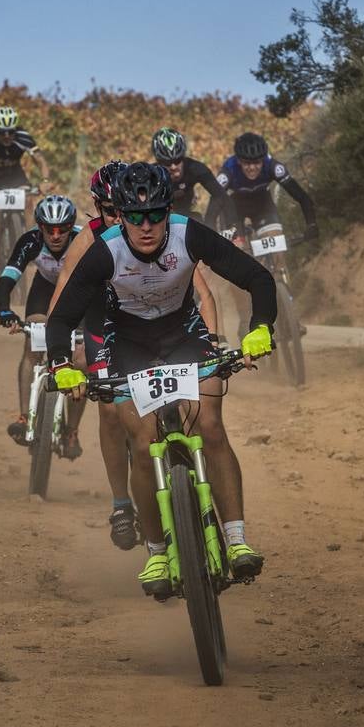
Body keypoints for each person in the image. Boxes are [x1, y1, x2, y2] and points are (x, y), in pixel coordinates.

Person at [46, 163, 275, 597]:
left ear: (169, 210)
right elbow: (61, 320)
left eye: (156, 214)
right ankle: (155, 551)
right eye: (134, 216)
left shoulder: (189, 234)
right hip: (128, 344)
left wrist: (261, 327)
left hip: (184, 336)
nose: (146, 226)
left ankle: (237, 538)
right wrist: (62, 364)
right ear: (121, 215)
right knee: (143, 438)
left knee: (209, 426)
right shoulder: (105, 250)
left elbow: (257, 278)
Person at [49, 161, 225, 551]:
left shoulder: (159, 234)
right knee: (111, 411)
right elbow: (63, 290)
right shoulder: (91, 238)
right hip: (103, 325)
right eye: (110, 211)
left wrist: (212, 339)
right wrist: (60, 349)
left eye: (123, 210)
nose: (120, 219)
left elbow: (200, 289)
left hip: (160, 325)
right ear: (99, 210)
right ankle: (121, 504)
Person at [0, 195, 85, 455]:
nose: (56, 236)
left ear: (71, 227)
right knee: (32, 341)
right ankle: (24, 417)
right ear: (39, 227)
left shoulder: (84, 241)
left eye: (62, 230)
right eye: (49, 230)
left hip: (79, 294)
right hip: (44, 291)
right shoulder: (30, 241)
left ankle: (71, 432)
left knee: (82, 361)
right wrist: (5, 311)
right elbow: (6, 280)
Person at [0, 106, 50, 275]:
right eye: (2, 132)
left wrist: (45, 181)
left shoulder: (23, 137)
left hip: (14, 178)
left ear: (15, 129)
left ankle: (30, 244)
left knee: (28, 202)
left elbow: (41, 162)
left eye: (10, 132)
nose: (7, 136)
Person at [214, 132, 317, 239]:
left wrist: (311, 224)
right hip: (233, 208)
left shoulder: (272, 167)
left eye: (257, 162)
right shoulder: (228, 171)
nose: (252, 168)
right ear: (239, 161)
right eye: (247, 163)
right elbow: (214, 206)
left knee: (276, 244)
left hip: (262, 204)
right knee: (236, 248)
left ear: (263, 160)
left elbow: (300, 196)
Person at [151, 127, 228, 223]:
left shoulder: (194, 168)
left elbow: (220, 195)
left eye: (177, 160)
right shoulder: (150, 175)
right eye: (167, 162)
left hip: (185, 214)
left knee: (197, 219)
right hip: (159, 219)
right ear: (158, 162)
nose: (173, 167)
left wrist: (210, 225)